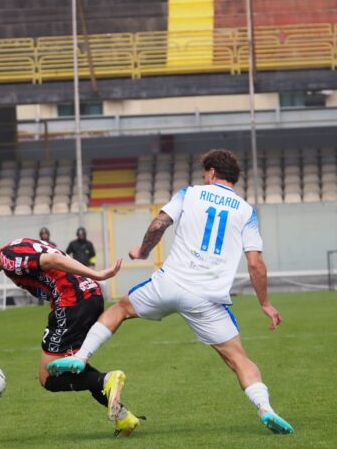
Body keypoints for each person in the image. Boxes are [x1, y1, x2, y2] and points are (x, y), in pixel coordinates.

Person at [48, 149, 294, 435]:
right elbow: (256, 265)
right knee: (238, 359)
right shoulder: (246, 211)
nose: (203, 177)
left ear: (212, 172)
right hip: (207, 298)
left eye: (205, 173)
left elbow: (159, 224)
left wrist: (142, 250)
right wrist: (265, 303)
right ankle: (266, 409)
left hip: (169, 283)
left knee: (120, 309)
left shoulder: (189, 194)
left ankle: (81, 357)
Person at [0, 233, 142, 437]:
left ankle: (107, 380)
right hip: (86, 297)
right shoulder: (18, 244)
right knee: (72, 367)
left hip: (72, 302)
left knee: (48, 378)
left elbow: (53, 259)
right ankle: (123, 417)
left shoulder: (8, 259)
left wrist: (97, 274)